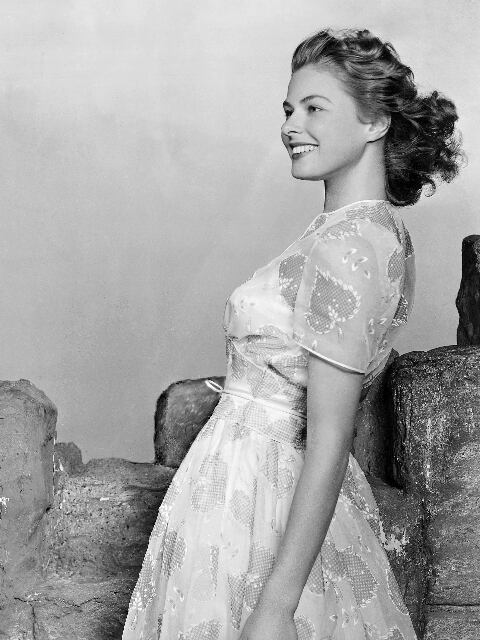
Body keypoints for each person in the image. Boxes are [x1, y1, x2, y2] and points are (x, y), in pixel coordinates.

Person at [122, 28, 463, 640]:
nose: (290, 126)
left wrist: (276, 609)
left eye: (314, 108)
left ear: (375, 121)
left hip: (264, 497)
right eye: (287, 110)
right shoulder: (358, 233)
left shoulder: (350, 246)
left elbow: (330, 436)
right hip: (247, 488)